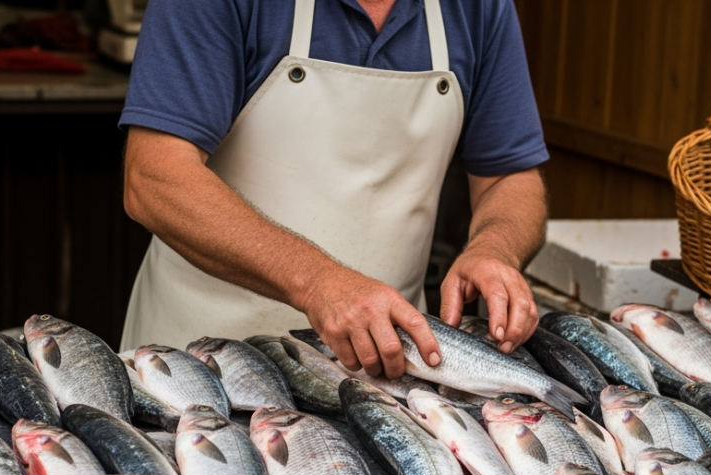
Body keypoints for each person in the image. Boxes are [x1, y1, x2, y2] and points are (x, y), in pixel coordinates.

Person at [119, 0, 549, 379]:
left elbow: (508, 177)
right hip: (197, 368)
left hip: (383, 370)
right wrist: (317, 282)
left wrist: (495, 249)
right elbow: (155, 176)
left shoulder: (479, 8)